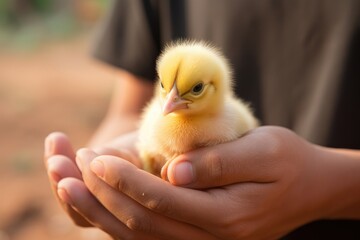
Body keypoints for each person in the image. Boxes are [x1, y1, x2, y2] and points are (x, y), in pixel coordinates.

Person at [44, 0, 360, 239]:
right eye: (166, 89)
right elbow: (128, 112)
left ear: (217, 87)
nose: (169, 102)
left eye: (193, 90)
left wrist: (325, 185)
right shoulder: (167, 108)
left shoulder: (227, 121)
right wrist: (106, 178)